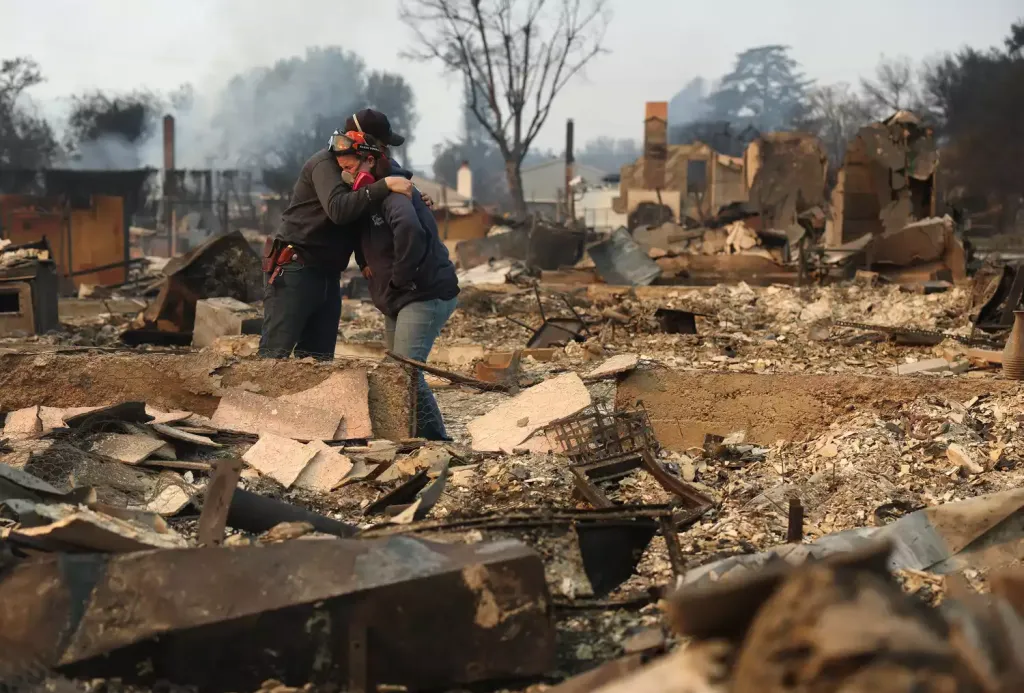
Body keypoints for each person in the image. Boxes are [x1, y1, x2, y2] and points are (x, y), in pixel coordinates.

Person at [259, 111, 434, 360]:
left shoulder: (367, 168)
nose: (384, 154)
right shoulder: (326, 165)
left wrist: (414, 195)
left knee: (317, 359)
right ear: (365, 141)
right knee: (274, 355)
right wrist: (385, 186)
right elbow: (339, 210)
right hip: (296, 268)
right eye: (382, 146)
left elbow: (368, 212)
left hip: (328, 273)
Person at [331, 118, 460, 441]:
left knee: (405, 372)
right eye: (342, 168)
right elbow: (361, 231)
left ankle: (436, 440)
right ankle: (414, 437)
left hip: (422, 293)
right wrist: (364, 263)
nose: (347, 174)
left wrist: (400, 278)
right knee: (398, 373)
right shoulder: (372, 193)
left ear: (371, 159)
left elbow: (410, 230)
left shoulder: (393, 191)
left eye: (351, 167)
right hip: (399, 297)